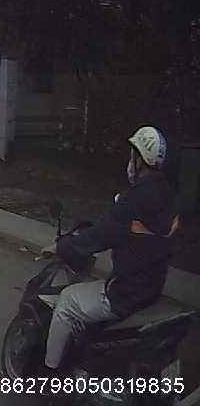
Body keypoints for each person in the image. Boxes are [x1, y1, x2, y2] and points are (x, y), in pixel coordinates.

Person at [42, 125, 177, 372]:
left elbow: (102, 235)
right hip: (151, 286)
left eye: (132, 155)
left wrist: (61, 247)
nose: (130, 161)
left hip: (126, 292)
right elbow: (135, 231)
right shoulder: (166, 195)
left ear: (140, 159)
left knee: (67, 300)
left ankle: (49, 375)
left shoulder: (136, 199)